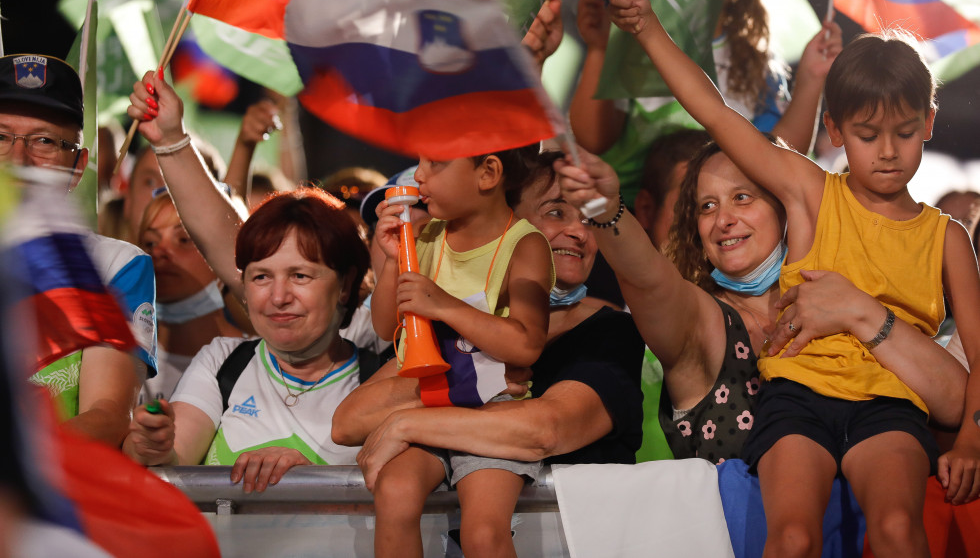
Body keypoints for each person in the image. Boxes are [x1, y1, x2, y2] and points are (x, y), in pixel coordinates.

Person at [600, 0, 980, 556]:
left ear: (928, 123)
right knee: (792, 537)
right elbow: (713, 112)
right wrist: (648, 28)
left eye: (903, 133)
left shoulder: (947, 238)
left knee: (901, 531)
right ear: (834, 132)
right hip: (797, 400)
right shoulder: (811, 193)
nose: (886, 151)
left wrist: (972, 444)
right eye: (867, 134)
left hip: (892, 409)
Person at [332, 150, 645, 515]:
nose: (578, 232)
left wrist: (407, 421)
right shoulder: (450, 325)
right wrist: (474, 381)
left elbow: (546, 431)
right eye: (555, 212)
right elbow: (349, 421)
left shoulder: (610, 331)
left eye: (590, 220)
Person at [568, 0, 842, 205]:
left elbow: (783, 159)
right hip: (639, 222)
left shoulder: (752, 61)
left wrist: (811, 82)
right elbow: (592, 139)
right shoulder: (635, 37)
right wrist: (599, 51)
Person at [367, 146, 553, 558]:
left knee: (483, 534)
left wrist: (443, 304)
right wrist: (392, 260)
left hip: (492, 418)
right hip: (428, 410)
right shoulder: (427, 237)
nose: (418, 176)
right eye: (419, 163)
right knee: (394, 492)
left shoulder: (525, 244)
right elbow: (384, 328)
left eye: (435, 163)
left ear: (488, 173)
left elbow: (527, 344)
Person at [123, 187, 371, 491]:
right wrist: (151, 444)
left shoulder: (378, 381)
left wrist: (310, 483)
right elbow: (175, 458)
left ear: (345, 285)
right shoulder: (222, 361)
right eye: (261, 277)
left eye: (300, 276)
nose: (278, 297)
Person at [0, 54, 157, 447]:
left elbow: (107, 417)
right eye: (0, 137)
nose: (18, 160)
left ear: (76, 167)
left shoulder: (116, 266)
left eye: (44, 142)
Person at [137, 190, 250, 402]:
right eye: (150, 242)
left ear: (229, 257)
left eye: (183, 239)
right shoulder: (126, 360)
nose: (160, 251)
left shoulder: (256, 360)